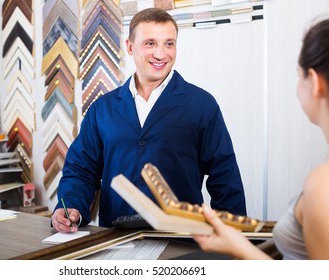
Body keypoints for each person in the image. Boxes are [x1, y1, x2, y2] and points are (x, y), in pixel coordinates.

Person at [51, 8, 246, 232]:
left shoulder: (202, 105)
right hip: (116, 239)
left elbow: (225, 176)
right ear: (130, 46)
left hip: (181, 239)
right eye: (150, 43)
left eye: (169, 44)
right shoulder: (102, 109)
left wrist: (234, 239)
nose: (161, 54)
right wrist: (71, 206)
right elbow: (81, 168)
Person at [193, 18, 329, 260]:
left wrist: (239, 247)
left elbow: (223, 173)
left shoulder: (322, 185)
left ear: (315, 82)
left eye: (298, 76)